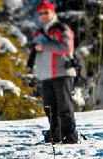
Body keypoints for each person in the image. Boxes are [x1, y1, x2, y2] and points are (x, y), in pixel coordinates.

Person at [29, 1, 78, 144]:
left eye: (46, 12)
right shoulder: (37, 33)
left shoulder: (61, 28)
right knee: (50, 109)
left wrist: (42, 46)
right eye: (40, 13)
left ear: (53, 13)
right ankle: (56, 136)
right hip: (45, 75)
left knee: (65, 108)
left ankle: (70, 137)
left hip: (62, 73)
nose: (43, 15)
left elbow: (65, 47)